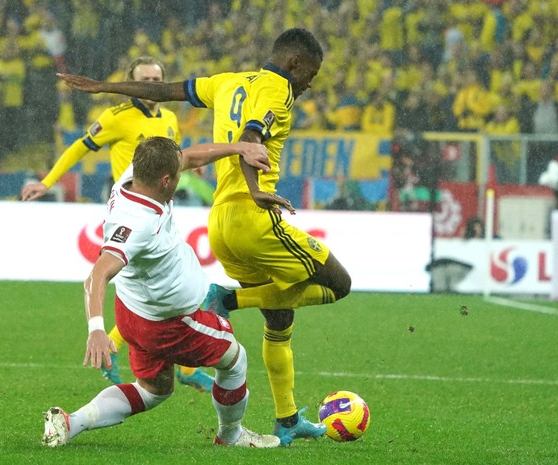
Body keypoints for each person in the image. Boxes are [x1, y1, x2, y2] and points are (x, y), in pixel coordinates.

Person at [58, 28, 352, 447]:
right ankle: (229, 314)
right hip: (253, 220)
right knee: (338, 285)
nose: (311, 83)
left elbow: (163, 93)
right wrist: (255, 188)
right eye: (312, 73)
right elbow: (252, 138)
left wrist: (103, 86)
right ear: (295, 64)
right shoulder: (280, 90)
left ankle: (286, 418)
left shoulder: (222, 83)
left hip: (220, 223)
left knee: (278, 316)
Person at [42, 136, 279, 448]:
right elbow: (97, 274)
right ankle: (231, 435)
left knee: (154, 390)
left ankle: (72, 422)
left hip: (133, 313)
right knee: (235, 359)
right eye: (177, 177)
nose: (182, 176)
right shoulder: (137, 223)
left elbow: (191, 158)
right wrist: (96, 330)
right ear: (166, 180)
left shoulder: (135, 174)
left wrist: (238, 148)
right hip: (169, 324)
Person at [23, 56, 215, 392]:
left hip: (162, 211)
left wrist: (193, 165)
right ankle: (146, 357)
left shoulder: (170, 117)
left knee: (162, 290)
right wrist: (48, 181)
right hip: (131, 217)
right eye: (145, 79)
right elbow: (79, 149)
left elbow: (175, 153)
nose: (153, 85)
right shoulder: (115, 118)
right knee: (148, 294)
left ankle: (168, 363)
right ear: (132, 82)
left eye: (158, 79)